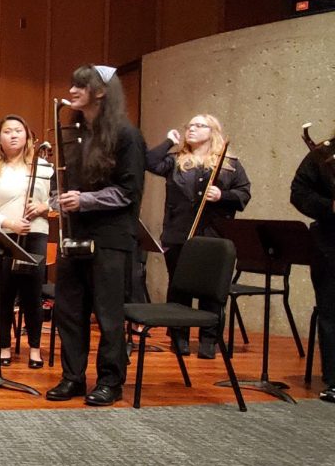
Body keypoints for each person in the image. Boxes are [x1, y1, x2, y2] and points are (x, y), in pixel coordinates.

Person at [46, 64, 145, 406]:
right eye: (71, 84)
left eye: (80, 85)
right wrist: (54, 199)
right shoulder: (71, 134)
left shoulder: (127, 136)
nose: (72, 90)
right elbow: (60, 182)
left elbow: (129, 192)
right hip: (74, 235)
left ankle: (110, 381)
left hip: (110, 237)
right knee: (69, 310)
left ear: (101, 92)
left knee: (107, 313)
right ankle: (72, 377)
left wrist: (84, 200)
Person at [146, 114, 251, 358]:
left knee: (211, 290)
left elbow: (244, 193)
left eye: (198, 125)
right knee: (179, 286)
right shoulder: (175, 161)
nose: (191, 129)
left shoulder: (230, 164)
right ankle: (179, 337)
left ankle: (208, 340)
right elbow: (149, 162)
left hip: (215, 235)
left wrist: (222, 196)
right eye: (189, 125)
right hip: (178, 233)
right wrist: (167, 142)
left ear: (212, 131)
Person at [0, 115, 53, 369]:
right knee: (5, 293)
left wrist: (44, 207)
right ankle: (5, 345)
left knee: (33, 293)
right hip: (3, 237)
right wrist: (9, 223)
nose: (13, 135)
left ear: (28, 136)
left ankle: (34, 347)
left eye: (18, 130)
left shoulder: (43, 168)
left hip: (36, 234)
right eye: (7, 131)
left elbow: (59, 199)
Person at [290, 132, 335, 402]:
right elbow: (298, 192)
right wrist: (330, 205)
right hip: (330, 246)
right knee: (332, 311)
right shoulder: (323, 154)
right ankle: (334, 380)